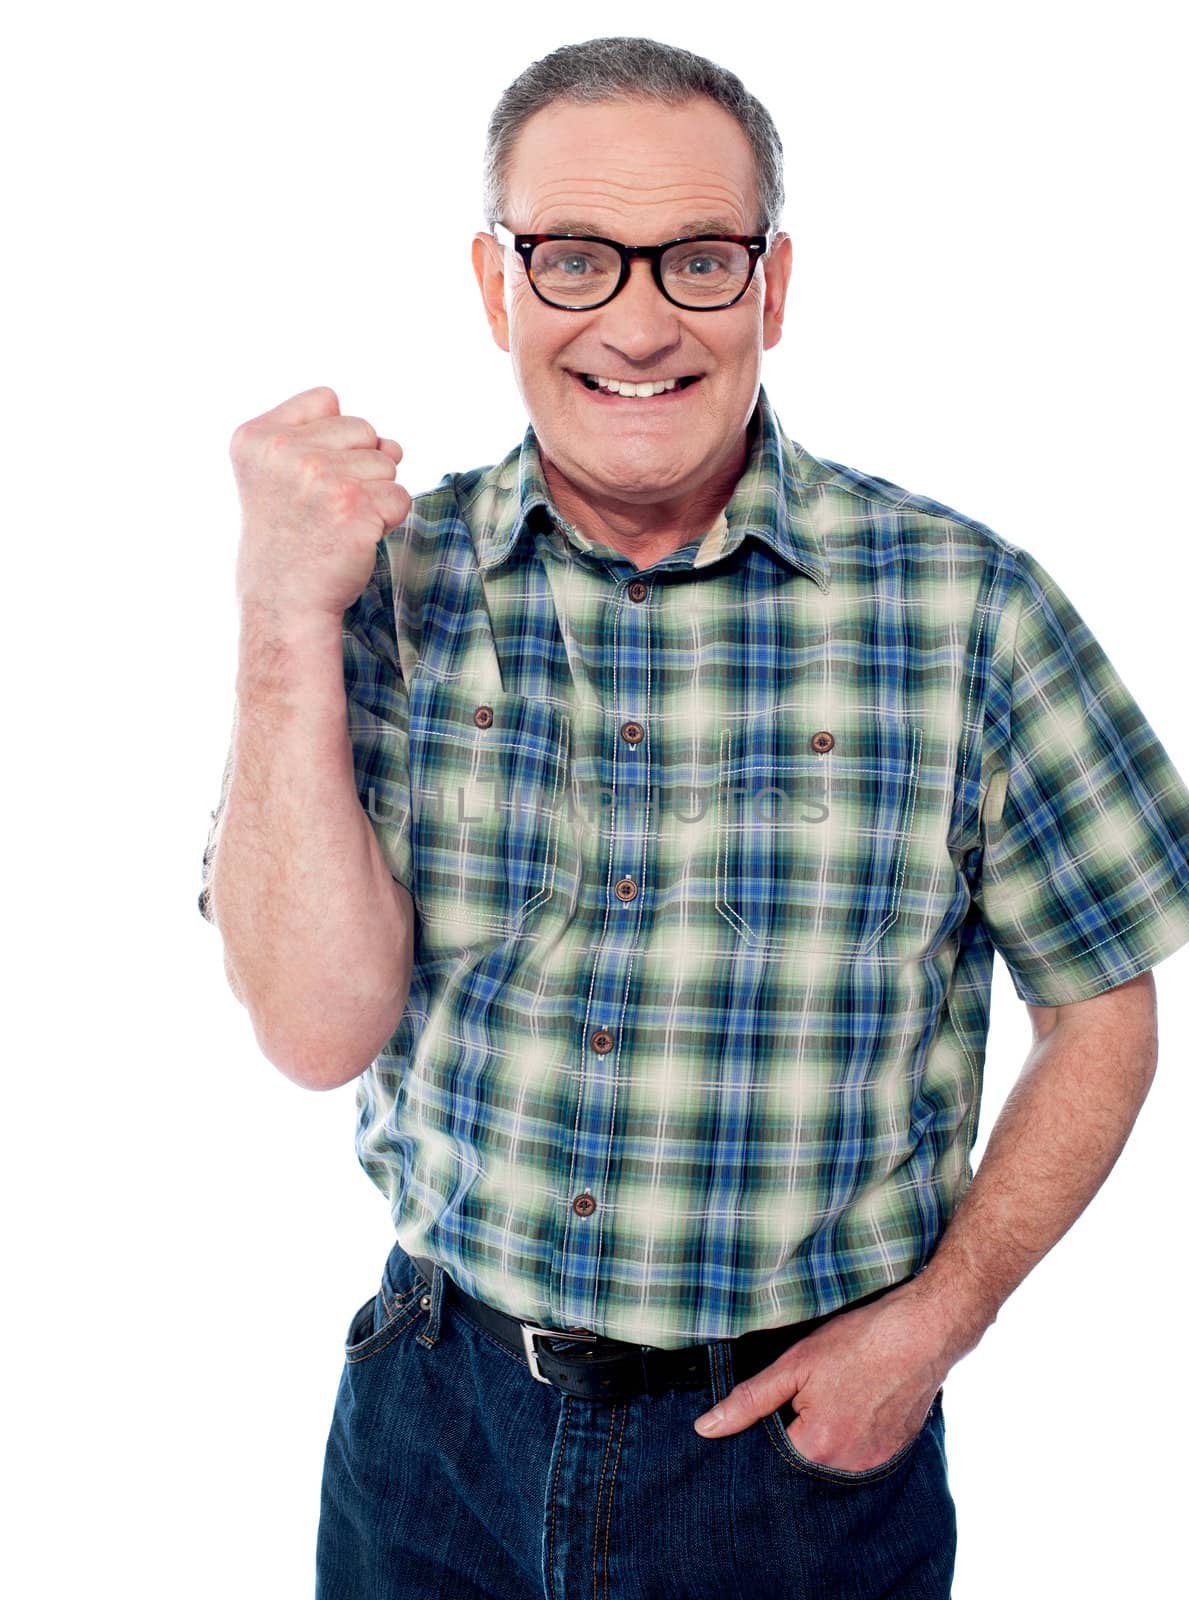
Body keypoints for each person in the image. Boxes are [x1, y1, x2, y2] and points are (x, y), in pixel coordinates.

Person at [198, 34, 1189, 1600]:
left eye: (701, 260)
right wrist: (276, 620)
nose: (641, 322)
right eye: (576, 260)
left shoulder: (964, 608)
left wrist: (937, 1324)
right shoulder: (373, 587)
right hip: (430, 1429)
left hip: (793, 1462)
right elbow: (316, 1032)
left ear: (772, 288)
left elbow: (1102, 1010)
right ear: (495, 284)